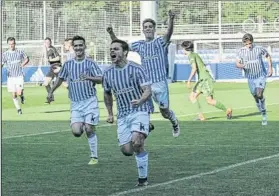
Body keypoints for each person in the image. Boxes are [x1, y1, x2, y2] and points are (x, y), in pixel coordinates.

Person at [107, 10, 180, 137]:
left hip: (160, 83)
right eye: (145, 27)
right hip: (145, 83)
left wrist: (171, 19)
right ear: (143, 30)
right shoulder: (139, 45)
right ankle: (144, 124)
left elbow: (168, 34)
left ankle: (174, 121)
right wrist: (111, 33)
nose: (148, 29)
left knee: (164, 112)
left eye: (150, 27)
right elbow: (121, 46)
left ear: (154, 29)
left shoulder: (160, 42)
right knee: (140, 106)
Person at [47, 35, 102, 165]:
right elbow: (60, 79)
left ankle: (94, 156)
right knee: (77, 132)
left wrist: (89, 78)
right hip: (76, 103)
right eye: (76, 46)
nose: (78, 48)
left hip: (89, 102)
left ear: (84, 47)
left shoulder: (90, 63)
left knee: (89, 129)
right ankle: (84, 123)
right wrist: (51, 91)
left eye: (80, 45)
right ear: (73, 48)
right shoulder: (68, 64)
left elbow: (100, 78)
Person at [103, 39, 151, 186]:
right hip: (123, 115)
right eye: (111, 49)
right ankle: (144, 129)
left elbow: (147, 90)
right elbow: (107, 94)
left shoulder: (136, 69)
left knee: (137, 142)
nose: (112, 51)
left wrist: (141, 101)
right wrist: (110, 113)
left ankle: (143, 179)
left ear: (125, 52)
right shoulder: (108, 73)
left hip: (139, 110)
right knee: (127, 150)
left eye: (116, 49)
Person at [181, 41, 233, 120]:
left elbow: (194, 68)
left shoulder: (191, 56)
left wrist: (188, 80)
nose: (182, 50)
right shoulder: (194, 54)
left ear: (185, 48)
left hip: (205, 80)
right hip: (201, 80)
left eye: (183, 48)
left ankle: (227, 110)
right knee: (192, 97)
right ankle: (200, 116)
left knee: (209, 101)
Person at [236, 33, 273, 125]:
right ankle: (257, 102)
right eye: (246, 44)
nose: (248, 46)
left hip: (261, 76)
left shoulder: (259, 49)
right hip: (250, 78)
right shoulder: (240, 52)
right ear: (244, 44)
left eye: (249, 43)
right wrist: (241, 65)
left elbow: (267, 56)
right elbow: (237, 63)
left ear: (252, 41)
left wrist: (270, 67)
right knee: (254, 94)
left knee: (259, 93)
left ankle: (264, 113)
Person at [1, 37, 29, 114]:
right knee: (14, 94)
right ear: (8, 45)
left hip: (19, 75)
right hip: (10, 77)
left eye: (12, 44)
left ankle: (22, 96)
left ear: (15, 44)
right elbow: (2, 64)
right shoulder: (5, 54)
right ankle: (18, 109)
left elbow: (27, 58)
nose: (11, 45)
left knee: (19, 93)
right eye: (10, 44)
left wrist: (23, 64)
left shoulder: (20, 52)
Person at [43, 37, 62, 104]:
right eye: (46, 42)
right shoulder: (47, 49)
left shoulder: (52, 49)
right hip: (52, 68)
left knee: (66, 84)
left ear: (50, 42)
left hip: (57, 67)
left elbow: (58, 57)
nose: (47, 43)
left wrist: (50, 60)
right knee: (46, 83)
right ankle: (51, 97)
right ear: (44, 43)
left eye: (48, 42)